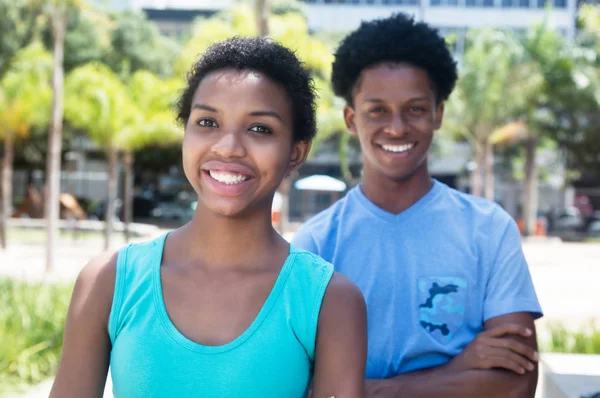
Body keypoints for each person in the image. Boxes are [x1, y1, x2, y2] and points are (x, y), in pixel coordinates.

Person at [50, 37, 367, 398]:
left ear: (296, 152)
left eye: (260, 128)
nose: (228, 146)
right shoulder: (109, 282)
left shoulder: (329, 300)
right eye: (207, 121)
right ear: (185, 132)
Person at [293, 14, 542, 397]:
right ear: (351, 118)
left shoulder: (489, 230)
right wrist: (459, 369)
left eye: (415, 109)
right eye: (377, 109)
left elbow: (517, 385)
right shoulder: (318, 244)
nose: (396, 128)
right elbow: (303, 389)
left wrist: (366, 390)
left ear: (438, 114)